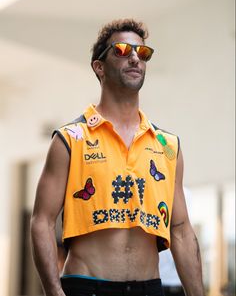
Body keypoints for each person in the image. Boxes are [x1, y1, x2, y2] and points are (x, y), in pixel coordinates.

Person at [31, 19, 205, 296]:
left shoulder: (167, 145)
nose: (135, 57)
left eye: (142, 53)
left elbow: (181, 229)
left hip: (149, 288)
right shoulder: (70, 139)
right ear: (99, 67)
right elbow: (41, 220)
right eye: (122, 50)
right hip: (87, 286)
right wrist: (53, 291)